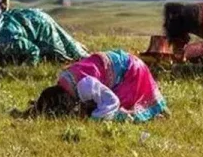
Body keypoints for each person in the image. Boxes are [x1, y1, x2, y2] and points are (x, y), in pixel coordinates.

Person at [25, 50, 168, 122]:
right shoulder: (65, 79)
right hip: (118, 62)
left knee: (121, 111)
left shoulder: (85, 86)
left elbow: (112, 102)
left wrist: (94, 118)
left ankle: (156, 113)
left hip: (131, 71)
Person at [0, 8, 88, 65]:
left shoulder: (5, 41)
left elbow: (33, 51)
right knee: (66, 42)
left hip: (40, 25)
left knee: (66, 55)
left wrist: (26, 68)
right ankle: (79, 46)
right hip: (29, 17)